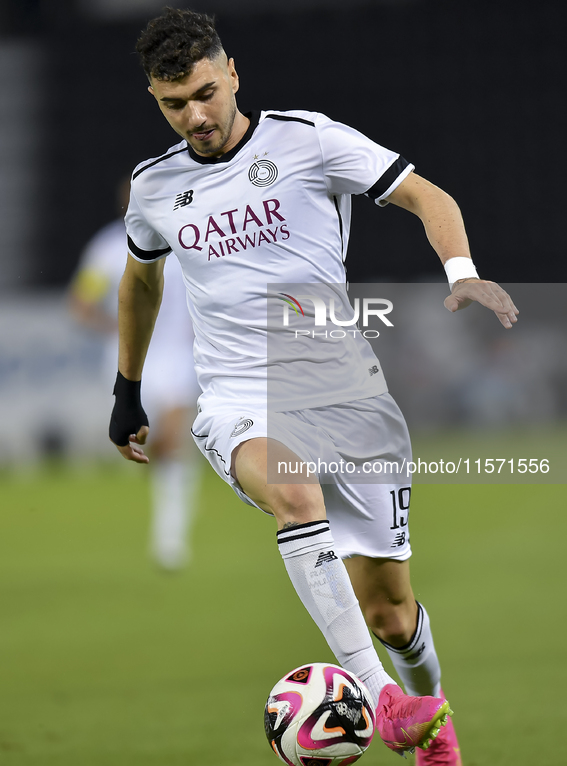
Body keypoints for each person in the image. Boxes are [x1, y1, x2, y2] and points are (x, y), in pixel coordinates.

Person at [108, 9, 519, 762]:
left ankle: (432, 726)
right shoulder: (154, 188)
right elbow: (139, 285)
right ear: (155, 99)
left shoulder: (308, 140)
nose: (195, 115)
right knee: (293, 490)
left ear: (231, 72)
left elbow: (429, 197)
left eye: (204, 91)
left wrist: (461, 274)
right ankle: (380, 701)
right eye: (174, 103)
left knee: (392, 614)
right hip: (236, 397)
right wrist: (125, 389)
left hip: (344, 396)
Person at [70, 179, 200, 570]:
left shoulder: (188, 236)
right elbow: (81, 303)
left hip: (179, 355)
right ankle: (165, 496)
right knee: (153, 444)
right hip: (132, 360)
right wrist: (117, 328)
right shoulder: (109, 247)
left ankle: (170, 541)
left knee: (174, 440)